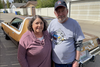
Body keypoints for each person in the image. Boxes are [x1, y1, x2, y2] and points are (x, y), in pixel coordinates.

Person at [47, 0, 85, 67]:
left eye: (63, 10)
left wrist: (76, 61)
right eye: (58, 11)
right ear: (55, 13)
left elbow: (79, 44)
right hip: (55, 62)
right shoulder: (52, 23)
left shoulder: (74, 24)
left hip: (69, 63)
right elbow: (47, 38)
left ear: (67, 11)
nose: (61, 14)